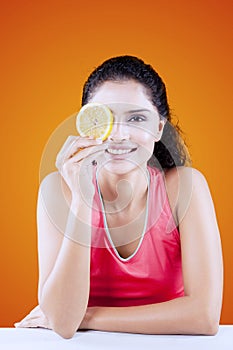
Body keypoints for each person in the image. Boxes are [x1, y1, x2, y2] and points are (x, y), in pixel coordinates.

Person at [15, 55, 223, 339]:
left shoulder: (186, 188)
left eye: (137, 118)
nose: (119, 134)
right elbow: (64, 325)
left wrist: (87, 316)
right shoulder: (57, 190)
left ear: (159, 128)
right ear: (85, 125)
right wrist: (80, 197)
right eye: (104, 118)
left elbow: (204, 317)